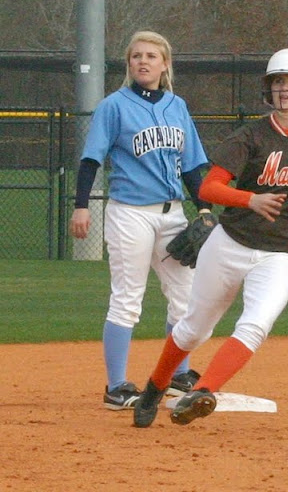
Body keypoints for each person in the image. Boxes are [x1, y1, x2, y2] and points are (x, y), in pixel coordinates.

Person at [132, 47, 288, 427]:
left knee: (256, 325)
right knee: (194, 329)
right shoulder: (251, 136)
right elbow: (209, 187)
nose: (284, 89)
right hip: (229, 244)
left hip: (280, 254)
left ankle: (201, 392)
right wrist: (250, 199)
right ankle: (155, 387)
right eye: (278, 82)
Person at [70, 30, 213, 410]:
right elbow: (91, 159)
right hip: (130, 214)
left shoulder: (177, 106)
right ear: (129, 64)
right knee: (127, 298)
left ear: (165, 64)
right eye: (136, 56)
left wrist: (204, 208)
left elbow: (192, 166)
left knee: (186, 298)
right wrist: (82, 205)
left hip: (173, 213)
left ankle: (179, 374)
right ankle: (116, 387)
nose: (143, 61)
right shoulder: (113, 106)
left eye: (151, 56)